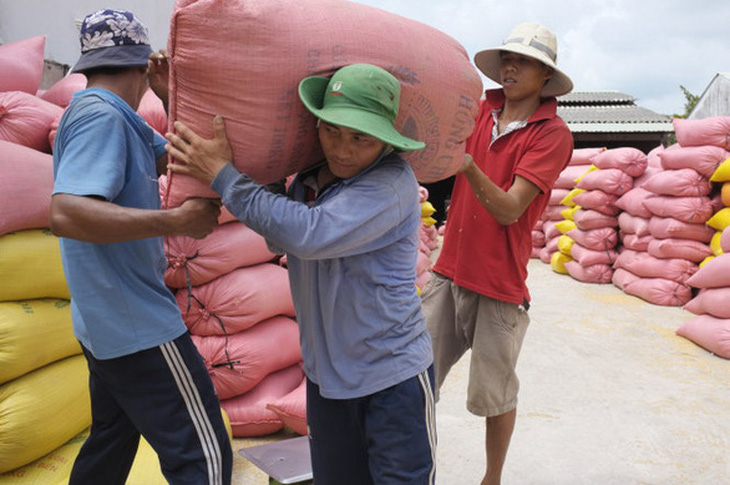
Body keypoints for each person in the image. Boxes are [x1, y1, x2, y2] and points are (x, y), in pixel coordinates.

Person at [165, 63, 437, 485]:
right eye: (331, 131)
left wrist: (225, 176)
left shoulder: (390, 184)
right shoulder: (309, 181)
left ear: (384, 138)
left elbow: (307, 234)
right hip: (327, 382)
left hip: (391, 379)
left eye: (360, 137)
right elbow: (282, 240)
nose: (342, 149)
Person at [49, 9, 232, 484]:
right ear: (139, 63)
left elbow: (176, 153)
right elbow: (66, 213)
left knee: (111, 442)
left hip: (104, 324)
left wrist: (171, 95)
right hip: (139, 326)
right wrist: (177, 220)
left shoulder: (110, 114)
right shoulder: (101, 118)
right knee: (204, 456)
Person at [420, 22, 574, 485]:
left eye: (524, 61)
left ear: (545, 75)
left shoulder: (551, 134)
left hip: (499, 284)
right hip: (448, 273)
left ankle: (492, 478)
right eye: (508, 57)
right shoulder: (478, 112)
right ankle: (408, 465)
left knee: (495, 395)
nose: (511, 66)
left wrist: (466, 165)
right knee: (415, 378)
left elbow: (509, 209)